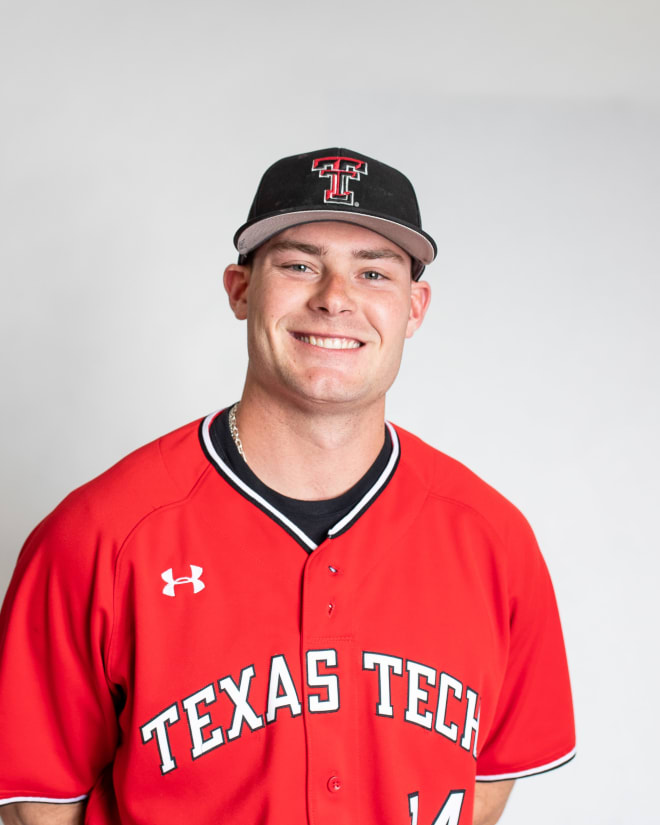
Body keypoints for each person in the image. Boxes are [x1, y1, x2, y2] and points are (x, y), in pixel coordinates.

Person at [0, 147, 575, 825]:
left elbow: (487, 781)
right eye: (299, 264)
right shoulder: (98, 536)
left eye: (373, 272)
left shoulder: (494, 541)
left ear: (415, 307)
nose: (335, 297)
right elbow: (41, 803)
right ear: (241, 289)